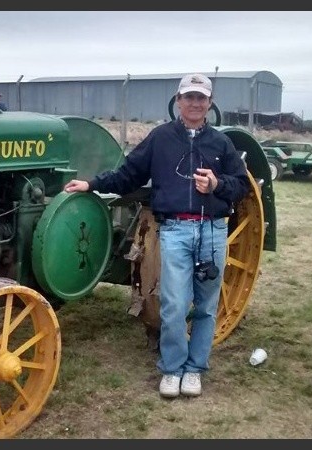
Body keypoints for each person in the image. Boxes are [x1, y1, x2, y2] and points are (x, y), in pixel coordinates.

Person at [64, 73, 250, 398]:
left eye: (201, 98)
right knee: (175, 304)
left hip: (213, 231)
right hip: (176, 229)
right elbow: (128, 173)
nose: (194, 103)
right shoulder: (160, 137)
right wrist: (92, 184)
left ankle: (194, 370)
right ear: (178, 101)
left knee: (206, 306)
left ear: (209, 103)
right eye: (188, 97)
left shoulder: (222, 143)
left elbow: (242, 185)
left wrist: (217, 184)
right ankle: (173, 367)